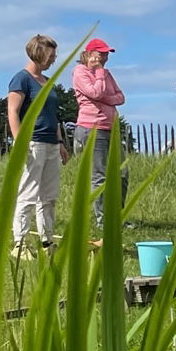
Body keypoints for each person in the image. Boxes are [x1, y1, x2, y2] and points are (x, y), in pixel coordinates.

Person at [7, 33, 69, 253]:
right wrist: (20, 141)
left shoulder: (49, 83)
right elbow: (13, 112)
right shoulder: (21, 79)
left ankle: (47, 241)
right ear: (39, 53)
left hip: (51, 143)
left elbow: (54, 116)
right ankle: (20, 243)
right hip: (32, 143)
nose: (54, 59)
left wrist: (60, 141)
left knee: (49, 196)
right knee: (28, 194)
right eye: (51, 55)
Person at [72, 38, 128, 235]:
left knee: (121, 173)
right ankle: (104, 220)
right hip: (92, 128)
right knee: (100, 176)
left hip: (110, 127)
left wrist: (105, 97)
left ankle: (118, 215)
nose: (105, 57)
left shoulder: (106, 73)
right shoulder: (81, 72)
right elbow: (95, 91)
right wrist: (99, 74)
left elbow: (120, 97)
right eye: (102, 53)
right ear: (90, 54)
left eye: (106, 53)